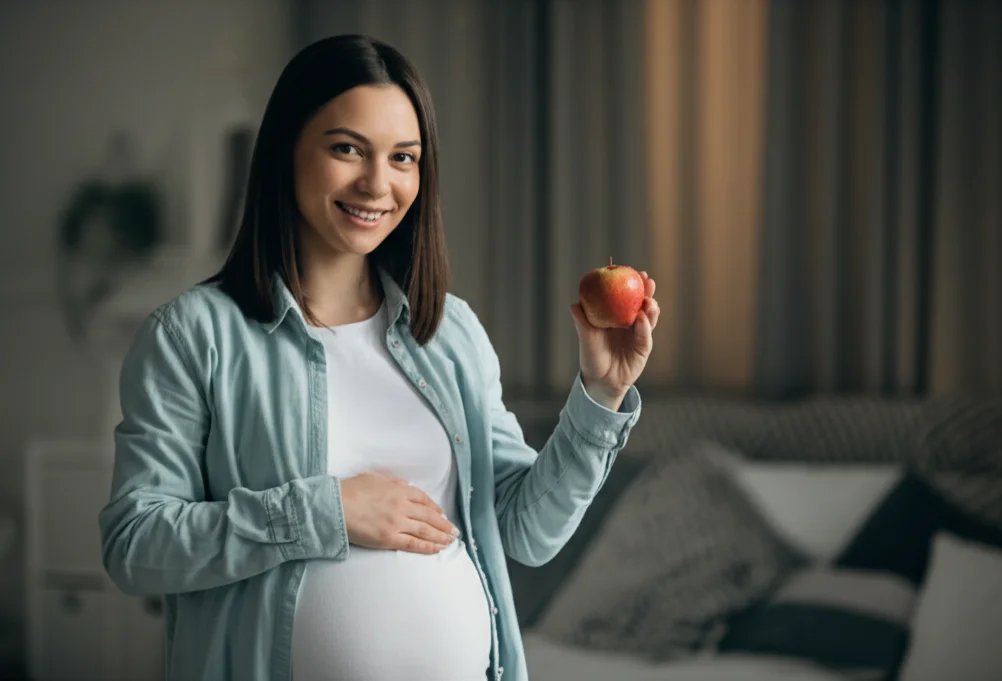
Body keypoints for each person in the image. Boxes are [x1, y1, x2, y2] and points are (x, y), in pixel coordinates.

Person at [98, 34, 660, 681]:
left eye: (404, 158)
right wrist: (326, 512)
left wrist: (600, 394)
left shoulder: (450, 331)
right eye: (347, 149)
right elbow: (135, 544)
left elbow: (526, 531)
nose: (377, 182)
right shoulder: (194, 334)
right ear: (287, 149)